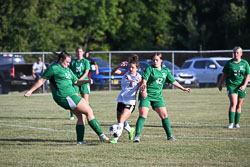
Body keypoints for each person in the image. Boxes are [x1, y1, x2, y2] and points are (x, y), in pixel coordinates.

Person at [24, 51, 109, 145]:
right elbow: (41, 80)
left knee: (81, 117)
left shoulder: (67, 70)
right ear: (61, 60)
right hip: (65, 96)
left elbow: (76, 82)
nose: (68, 64)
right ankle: (102, 136)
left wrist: (87, 81)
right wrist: (30, 91)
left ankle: (80, 142)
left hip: (70, 96)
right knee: (89, 111)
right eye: (67, 62)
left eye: (69, 62)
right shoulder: (54, 68)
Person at [133, 53, 191, 142]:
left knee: (164, 115)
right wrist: (143, 87)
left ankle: (170, 136)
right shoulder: (150, 69)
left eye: (157, 60)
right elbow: (144, 80)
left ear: (161, 61)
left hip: (157, 96)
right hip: (146, 95)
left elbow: (173, 81)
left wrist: (183, 88)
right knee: (143, 115)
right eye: (153, 60)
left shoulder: (165, 71)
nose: (155, 61)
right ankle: (137, 136)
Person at [109, 55, 142, 143]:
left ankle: (115, 138)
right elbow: (113, 72)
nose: (131, 69)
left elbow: (142, 88)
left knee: (121, 120)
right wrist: (119, 65)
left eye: (133, 67)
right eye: (129, 67)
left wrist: (143, 89)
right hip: (121, 99)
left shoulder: (139, 78)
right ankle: (130, 130)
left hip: (130, 102)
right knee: (121, 120)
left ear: (137, 69)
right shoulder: (125, 73)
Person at [218, 46, 250, 129]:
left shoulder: (245, 63)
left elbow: (248, 75)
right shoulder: (229, 63)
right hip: (231, 86)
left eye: (237, 52)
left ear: (241, 54)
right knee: (233, 103)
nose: (236, 54)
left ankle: (237, 123)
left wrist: (244, 85)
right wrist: (220, 84)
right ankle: (231, 123)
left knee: (239, 105)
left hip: (241, 86)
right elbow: (224, 74)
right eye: (234, 52)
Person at [69, 46, 91, 120]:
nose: (79, 53)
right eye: (78, 51)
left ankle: (88, 113)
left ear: (83, 52)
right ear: (76, 52)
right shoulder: (73, 62)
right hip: (75, 82)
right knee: (73, 98)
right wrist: (74, 80)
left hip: (84, 81)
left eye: (80, 51)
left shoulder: (85, 61)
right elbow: (70, 72)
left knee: (85, 99)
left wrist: (80, 79)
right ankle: (72, 115)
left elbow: (86, 72)